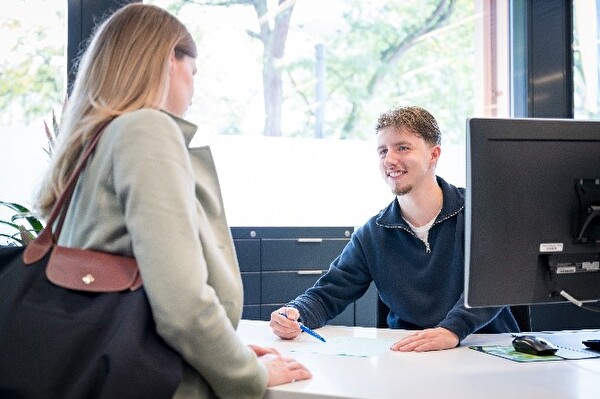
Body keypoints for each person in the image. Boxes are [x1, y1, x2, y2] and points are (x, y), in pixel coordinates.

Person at [33, 3, 311, 398]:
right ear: (168, 59)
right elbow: (182, 307)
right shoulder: (146, 129)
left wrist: (220, 355)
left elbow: (124, 303)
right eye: (193, 72)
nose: (194, 90)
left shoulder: (93, 143)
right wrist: (249, 373)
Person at [269, 105, 519, 351]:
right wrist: (296, 313)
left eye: (402, 148)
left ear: (433, 155)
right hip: (408, 354)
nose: (389, 159)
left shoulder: (481, 213)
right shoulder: (373, 233)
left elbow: (496, 283)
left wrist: (452, 329)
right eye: (382, 151)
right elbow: (328, 294)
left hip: (485, 350)